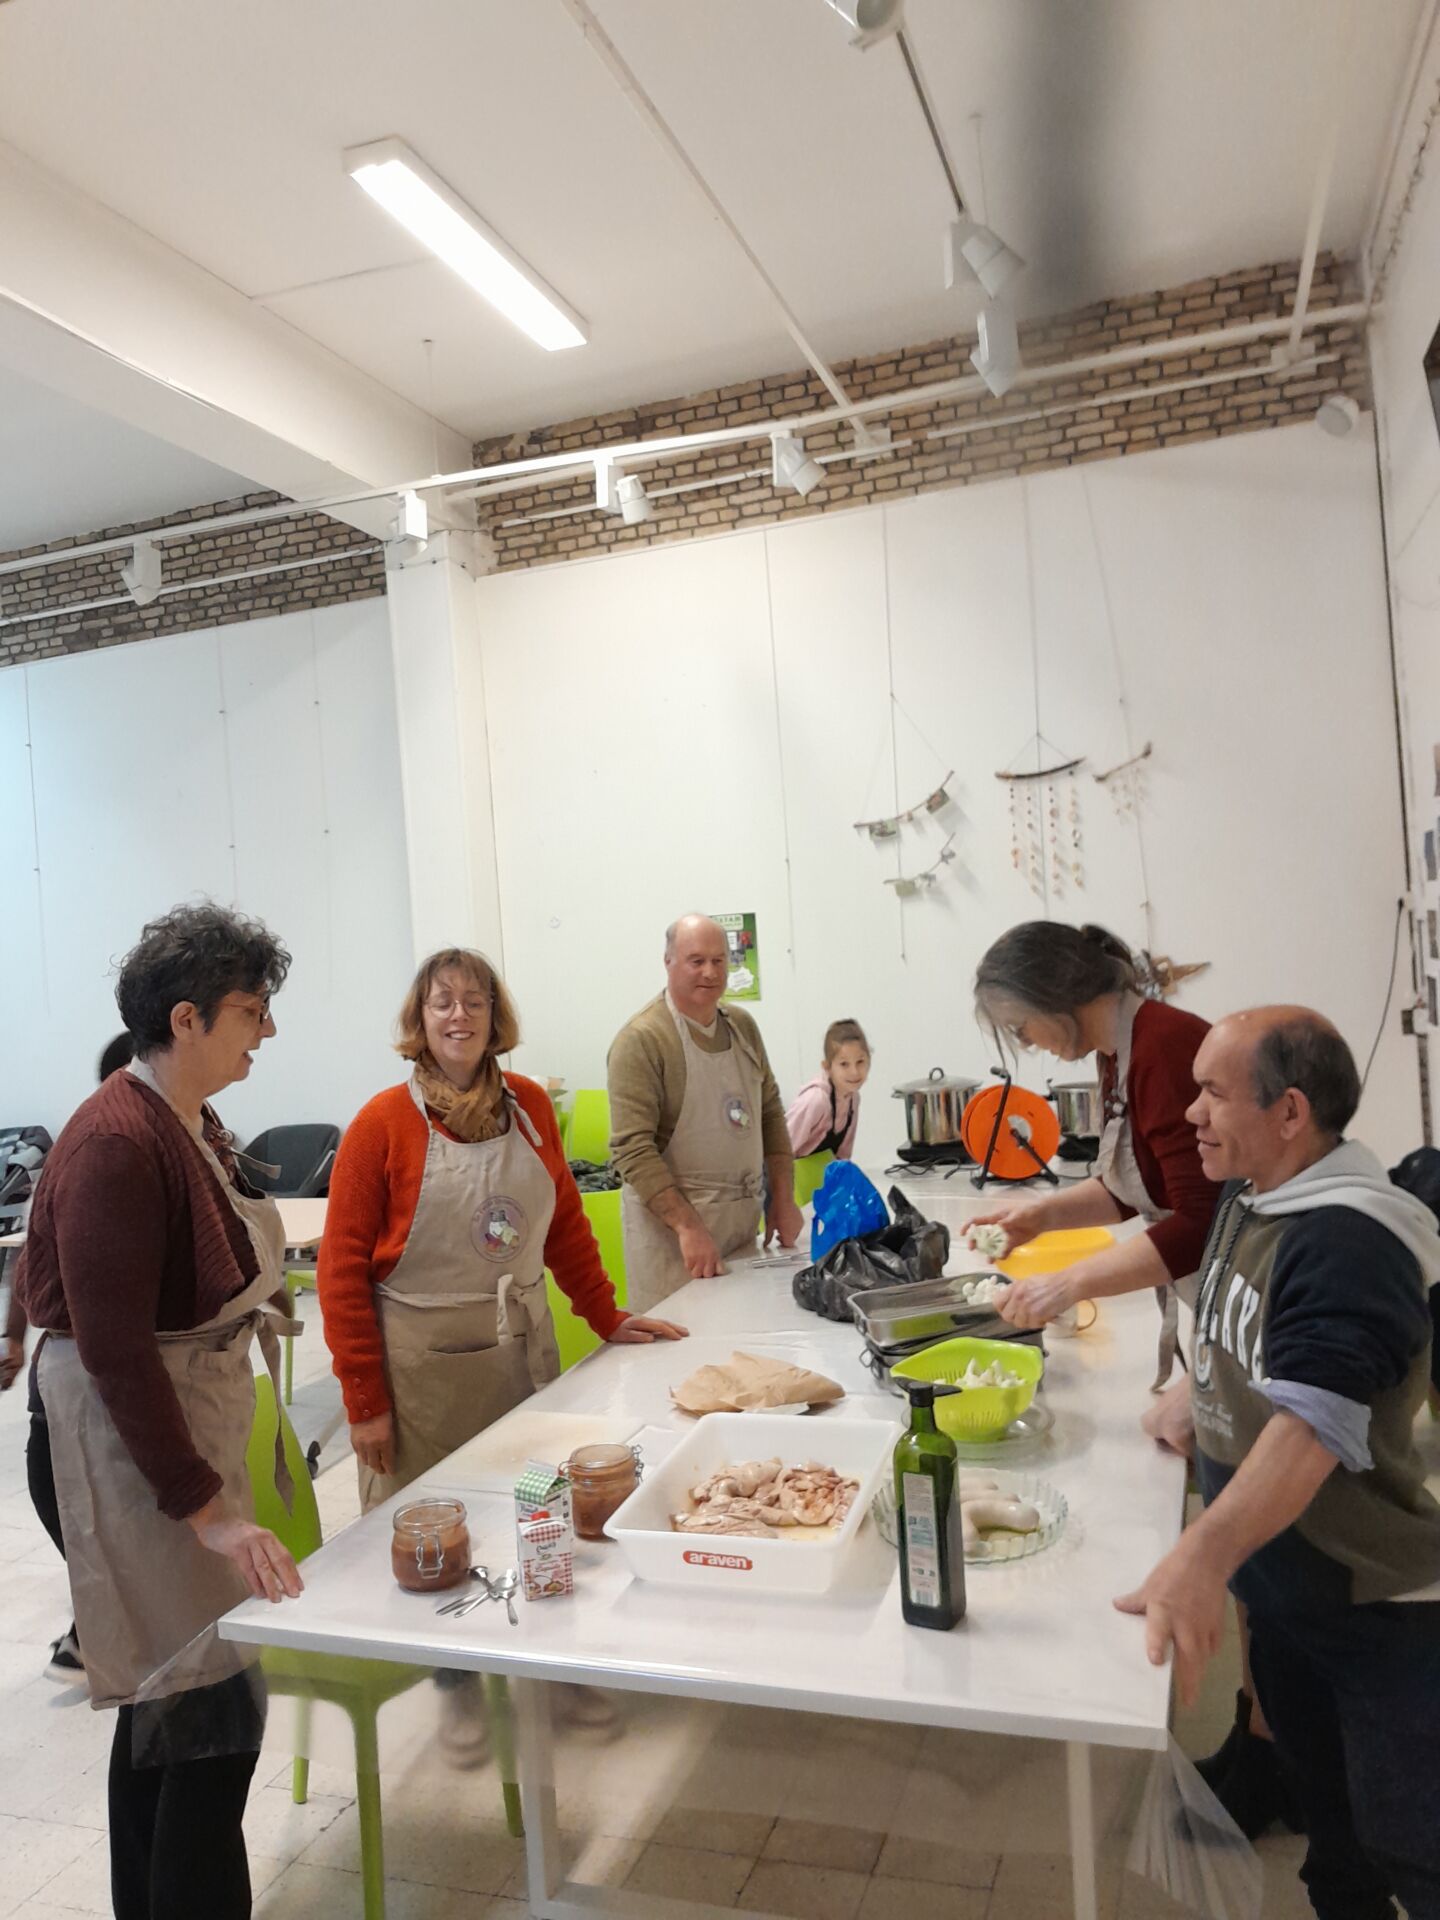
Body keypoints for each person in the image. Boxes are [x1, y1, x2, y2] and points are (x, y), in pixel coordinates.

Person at [1117, 1008, 1440, 1919]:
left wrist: (1200, 1556)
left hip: (1374, 1610)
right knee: (1334, 1843)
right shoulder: (1251, 1195)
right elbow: (1257, 1344)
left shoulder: (1348, 1241)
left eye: (1213, 1094)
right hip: (1287, 1594)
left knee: (1413, 1847)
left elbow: (1313, 1422)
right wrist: (1200, 1397)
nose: (1191, 1114)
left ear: (1290, 1112)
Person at [14, 906, 303, 1920]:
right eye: (251, 1011)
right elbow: (115, 1351)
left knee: (168, 1713)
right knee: (212, 1720)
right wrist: (206, 1511)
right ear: (187, 1019)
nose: (266, 1030)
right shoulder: (115, 1141)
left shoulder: (190, 1120)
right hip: (121, 1444)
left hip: (172, 1428)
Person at [319, 945, 685, 1511]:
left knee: (528, 1519)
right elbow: (340, 1274)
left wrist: (605, 1315)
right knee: (434, 1528)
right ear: (420, 1018)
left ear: (495, 1018)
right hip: (422, 1385)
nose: (459, 1015)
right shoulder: (380, 1125)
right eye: (442, 1003)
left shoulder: (530, 1107)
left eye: (474, 1002)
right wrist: (364, 1403)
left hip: (520, 1361)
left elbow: (564, 1226)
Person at [970, 922, 1213, 1385]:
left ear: (1052, 994)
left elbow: (1201, 1223)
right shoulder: (1116, 1052)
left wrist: (1066, 1285)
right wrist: (1039, 1218)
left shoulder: (1162, 1046)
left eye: (1021, 1028)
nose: (1027, 1043)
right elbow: (1136, 1187)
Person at [1, 1033, 138, 1687]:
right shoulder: (87, 1152)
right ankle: (101, 1617)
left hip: (139, 1372)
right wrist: (13, 1339)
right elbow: (32, 1256)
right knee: (54, 1488)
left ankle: (109, 1622)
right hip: (68, 1372)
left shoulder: (183, 1148)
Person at [607, 914, 803, 1312]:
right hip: (674, 1243)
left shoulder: (742, 1027)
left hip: (741, 1228)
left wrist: (783, 1197)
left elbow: (769, 1112)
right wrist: (687, 1225)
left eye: (719, 960)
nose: (710, 972)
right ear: (668, 962)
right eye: (696, 961)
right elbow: (632, 1149)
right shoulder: (642, 1040)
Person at [785, 1019, 871, 1162]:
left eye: (860, 1062)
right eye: (844, 1064)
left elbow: (842, 1157)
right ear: (827, 1067)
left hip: (819, 1174)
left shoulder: (853, 1099)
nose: (854, 1072)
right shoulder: (816, 1100)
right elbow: (781, 1151)